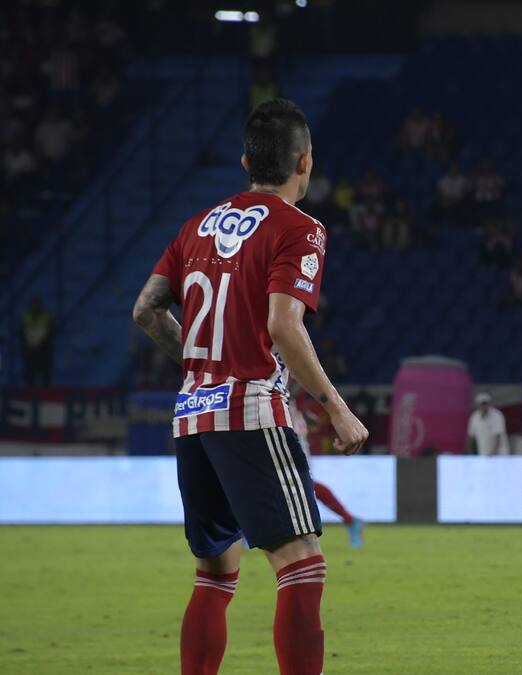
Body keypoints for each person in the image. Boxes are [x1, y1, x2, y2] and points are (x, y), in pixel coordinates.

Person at [131, 98, 368, 675]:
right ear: (304, 162)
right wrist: (337, 408)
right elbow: (284, 326)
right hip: (250, 410)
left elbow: (146, 310)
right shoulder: (300, 229)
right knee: (303, 563)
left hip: (193, 413)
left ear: (245, 162)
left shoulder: (195, 227)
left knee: (215, 572)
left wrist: (201, 363)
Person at [290, 382, 365, 549]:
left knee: (303, 483)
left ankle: (350, 520)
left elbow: (290, 386)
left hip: (289, 429)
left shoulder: (286, 366)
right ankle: (248, 530)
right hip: (275, 425)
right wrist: (304, 411)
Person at [21, 296, 54, 386]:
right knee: (30, 378)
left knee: (45, 378)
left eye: (37, 304)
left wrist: (43, 345)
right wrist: (26, 347)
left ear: (40, 305)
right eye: (34, 305)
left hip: (44, 352)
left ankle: (46, 393)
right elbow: (22, 334)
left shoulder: (46, 317)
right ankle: (29, 393)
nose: (35, 306)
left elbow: (51, 333)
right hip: (30, 351)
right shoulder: (26, 317)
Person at [466, 391, 509, 456]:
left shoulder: (497, 415)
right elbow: (471, 436)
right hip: (484, 453)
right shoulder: (474, 417)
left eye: (485, 404)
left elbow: (498, 437)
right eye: (482, 404)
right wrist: (469, 452)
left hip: (499, 454)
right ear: (478, 405)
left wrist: (493, 453)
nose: (484, 406)